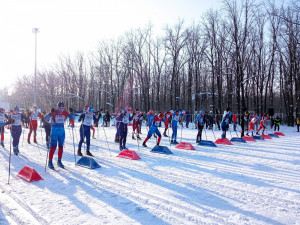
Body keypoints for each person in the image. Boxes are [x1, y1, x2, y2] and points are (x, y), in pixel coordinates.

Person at [45, 102, 74, 169]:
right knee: (53, 147)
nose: (61, 109)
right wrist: (50, 113)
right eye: (60, 108)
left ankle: (59, 161)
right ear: (57, 107)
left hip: (61, 131)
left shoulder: (65, 112)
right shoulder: (54, 112)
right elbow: (45, 118)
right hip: (54, 131)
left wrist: (71, 112)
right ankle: (50, 161)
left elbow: (72, 117)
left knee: (61, 147)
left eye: (62, 108)